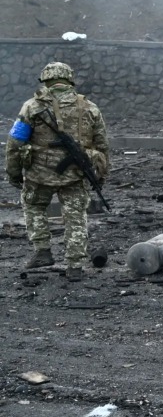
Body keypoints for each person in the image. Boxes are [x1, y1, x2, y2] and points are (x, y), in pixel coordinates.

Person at [6, 61, 110, 281]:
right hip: (75, 174)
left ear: (46, 80)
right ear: (69, 80)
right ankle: (75, 266)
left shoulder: (31, 107)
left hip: (38, 175)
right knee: (76, 218)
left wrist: (14, 174)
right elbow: (102, 146)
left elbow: (15, 143)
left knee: (33, 206)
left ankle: (42, 250)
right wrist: (99, 176)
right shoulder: (89, 107)